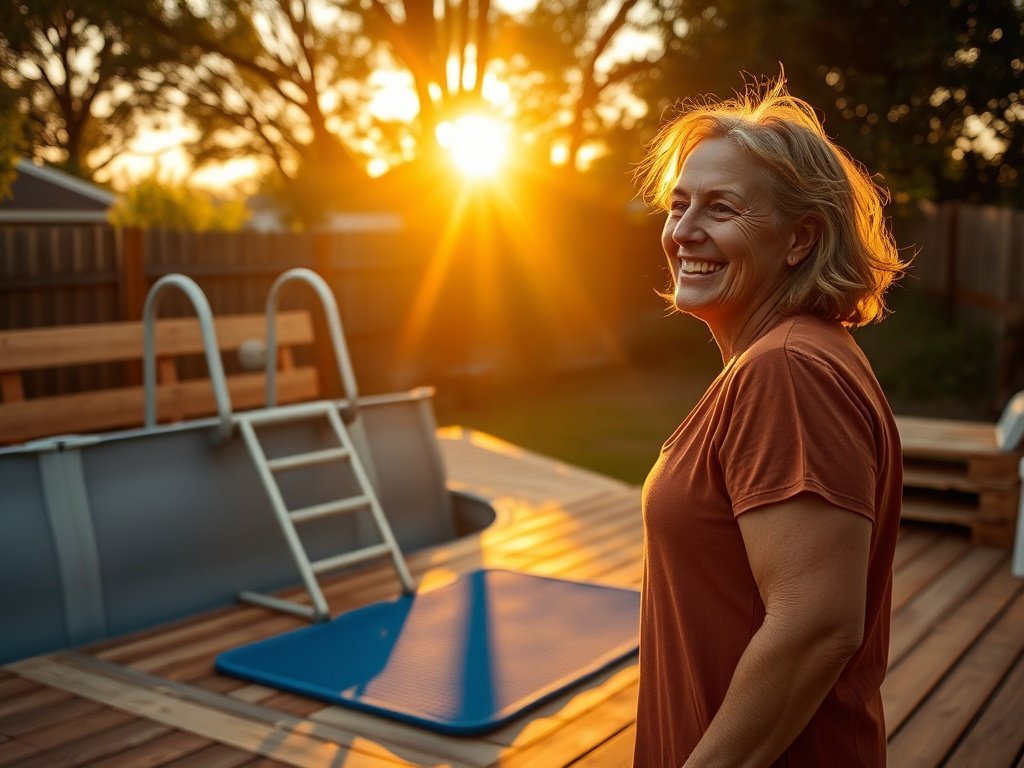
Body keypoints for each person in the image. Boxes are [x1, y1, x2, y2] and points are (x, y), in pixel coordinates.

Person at [632, 77, 908, 767]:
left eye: (720, 208)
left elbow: (815, 626)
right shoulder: (790, 354)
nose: (683, 232)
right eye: (678, 204)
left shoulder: (788, 370)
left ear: (800, 239)